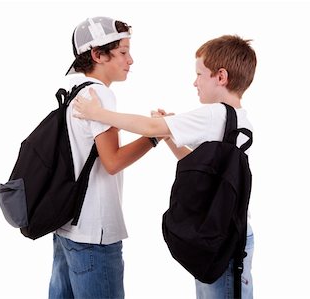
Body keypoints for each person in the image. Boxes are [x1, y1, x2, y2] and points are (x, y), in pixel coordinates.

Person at [73, 34, 257, 299]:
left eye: (200, 74)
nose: (195, 82)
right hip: (231, 233)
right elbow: (199, 166)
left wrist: (97, 114)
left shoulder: (213, 114)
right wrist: (171, 134)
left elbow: (149, 128)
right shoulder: (239, 119)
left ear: (221, 77)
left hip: (221, 237)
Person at [48, 16, 159, 299]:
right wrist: (155, 137)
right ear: (97, 54)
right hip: (94, 233)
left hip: (65, 225)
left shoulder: (71, 89)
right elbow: (113, 161)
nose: (130, 60)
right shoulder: (100, 95)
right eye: (123, 52)